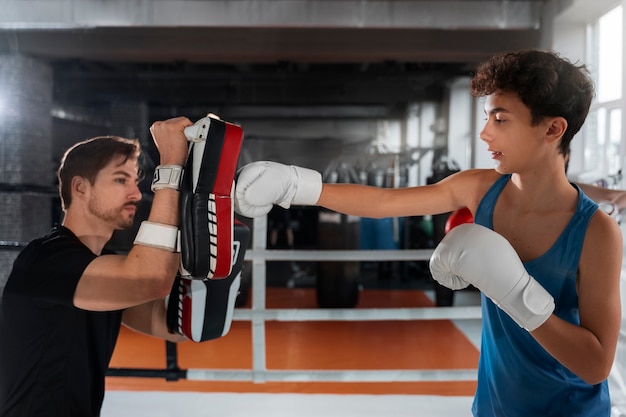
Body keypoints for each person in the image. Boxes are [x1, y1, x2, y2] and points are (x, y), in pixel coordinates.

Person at [234, 49, 623, 416]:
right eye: (487, 118)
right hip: (492, 407)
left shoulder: (596, 233)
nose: (485, 134)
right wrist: (296, 185)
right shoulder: (480, 188)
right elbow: (385, 202)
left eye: (501, 119)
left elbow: (595, 365)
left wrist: (517, 295)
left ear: (553, 129)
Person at [0, 116, 192, 416]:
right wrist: (171, 168)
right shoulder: (46, 260)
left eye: (135, 181)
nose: (136, 194)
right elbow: (149, 280)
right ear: (80, 188)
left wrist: (218, 230)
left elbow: (171, 325)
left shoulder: (103, 264)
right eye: (120, 179)